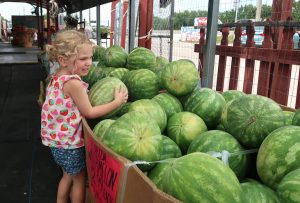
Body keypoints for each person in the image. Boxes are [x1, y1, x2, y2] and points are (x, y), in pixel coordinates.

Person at [40, 30, 128, 203]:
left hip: (56, 143)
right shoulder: (73, 84)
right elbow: (90, 112)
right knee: (79, 180)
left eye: (90, 57)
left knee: (67, 176)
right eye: (82, 59)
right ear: (63, 60)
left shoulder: (56, 77)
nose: (89, 63)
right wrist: (117, 102)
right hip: (70, 145)